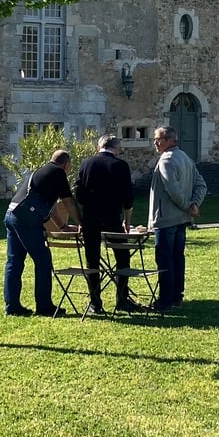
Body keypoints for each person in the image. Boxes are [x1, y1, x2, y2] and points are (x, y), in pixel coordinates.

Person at [3, 149, 78, 317]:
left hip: (12, 214)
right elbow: (69, 203)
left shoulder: (41, 171)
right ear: (67, 164)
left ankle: (12, 306)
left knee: (14, 262)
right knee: (43, 260)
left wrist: (63, 226)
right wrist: (82, 224)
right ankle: (44, 307)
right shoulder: (58, 173)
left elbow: (50, 207)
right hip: (26, 219)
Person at [76, 134, 138, 314]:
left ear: (99, 147)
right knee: (123, 257)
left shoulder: (86, 163)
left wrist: (85, 211)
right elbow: (128, 197)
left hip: (91, 218)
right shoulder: (120, 165)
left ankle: (95, 303)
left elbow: (79, 193)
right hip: (112, 218)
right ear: (116, 149)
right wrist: (127, 221)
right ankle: (122, 299)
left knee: (92, 261)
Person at [149, 126, 207, 312]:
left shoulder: (167, 160)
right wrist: (194, 204)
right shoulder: (186, 158)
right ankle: (176, 296)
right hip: (181, 219)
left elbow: (173, 190)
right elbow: (201, 185)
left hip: (167, 219)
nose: (155, 143)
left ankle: (166, 300)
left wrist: (190, 205)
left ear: (170, 140)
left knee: (165, 260)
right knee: (177, 258)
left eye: (159, 139)